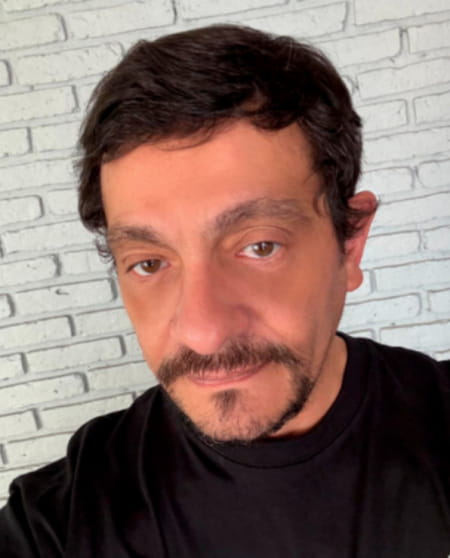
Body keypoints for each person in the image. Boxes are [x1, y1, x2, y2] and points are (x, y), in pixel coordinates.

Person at [0, 24, 449, 558]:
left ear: (349, 243)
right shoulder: (60, 523)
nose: (203, 332)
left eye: (260, 247)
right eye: (148, 263)